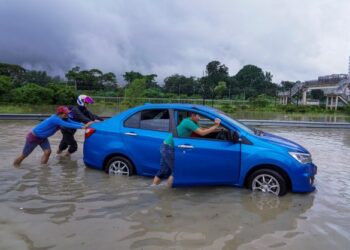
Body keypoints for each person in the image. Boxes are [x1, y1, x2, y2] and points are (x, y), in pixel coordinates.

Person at [152, 112, 221, 187]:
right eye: (198, 116)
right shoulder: (188, 122)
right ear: (193, 115)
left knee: (163, 171)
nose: (200, 118)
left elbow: (202, 129)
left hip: (166, 146)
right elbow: (202, 133)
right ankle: (168, 193)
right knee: (176, 171)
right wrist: (215, 125)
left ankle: (153, 188)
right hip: (169, 148)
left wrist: (219, 129)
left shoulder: (192, 121)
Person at [13, 106, 91, 166]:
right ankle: (15, 166)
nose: (67, 114)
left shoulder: (64, 118)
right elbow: (67, 125)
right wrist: (82, 127)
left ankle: (43, 168)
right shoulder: (55, 119)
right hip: (34, 137)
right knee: (24, 155)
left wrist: (84, 125)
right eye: (66, 113)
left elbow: (72, 122)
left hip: (42, 138)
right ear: (60, 114)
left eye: (67, 113)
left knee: (48, 152)